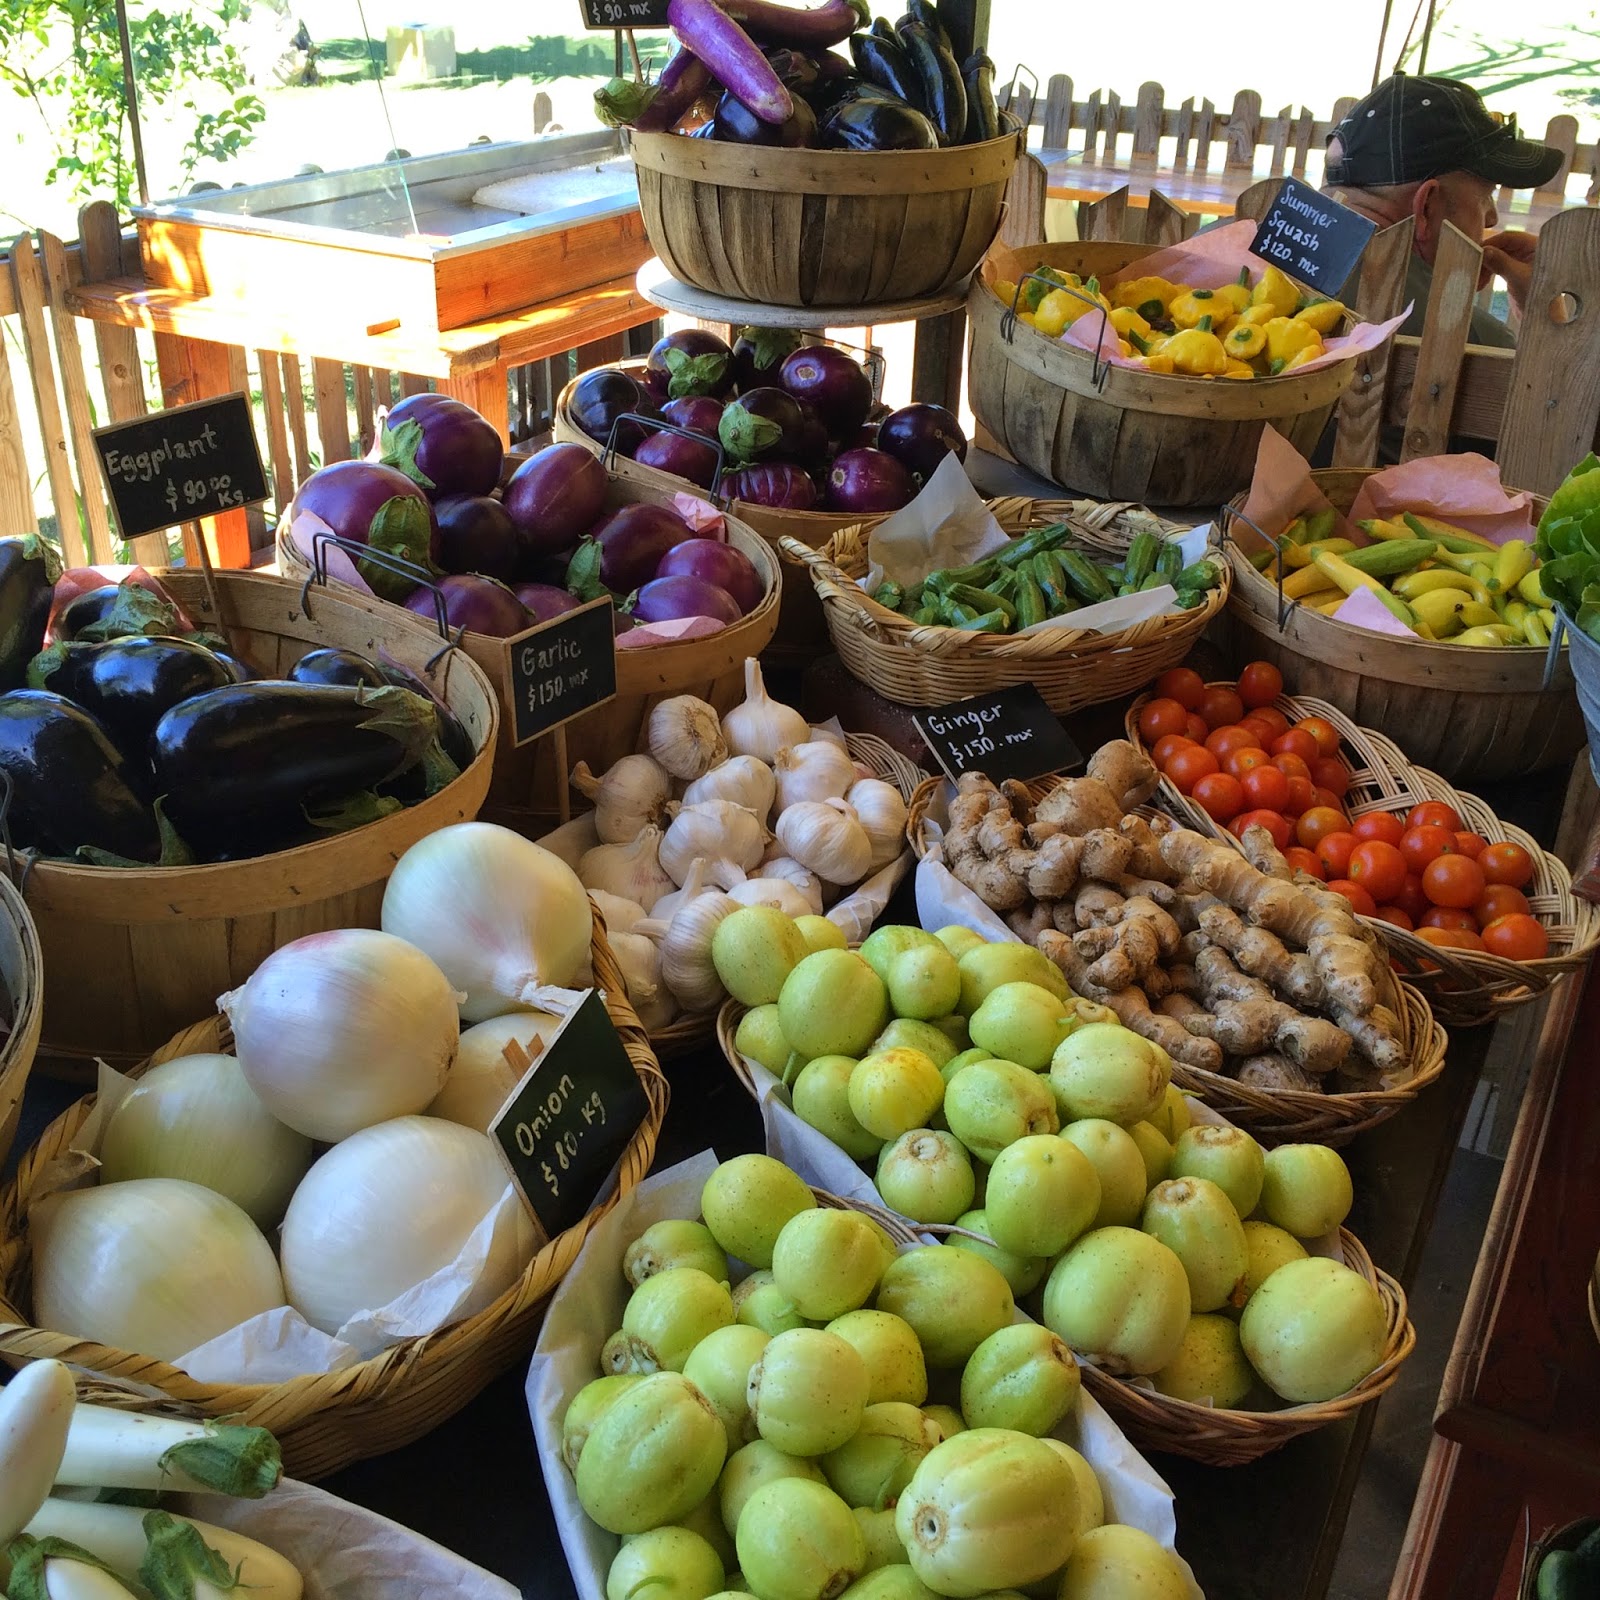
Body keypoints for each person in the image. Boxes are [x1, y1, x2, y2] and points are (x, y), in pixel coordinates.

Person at [1320, 72, 1563, 347]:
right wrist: (1546, 319)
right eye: (1486, 195)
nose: (1492, 217)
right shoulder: (1472, 340)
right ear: (1425, 207)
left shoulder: (1271, 247)